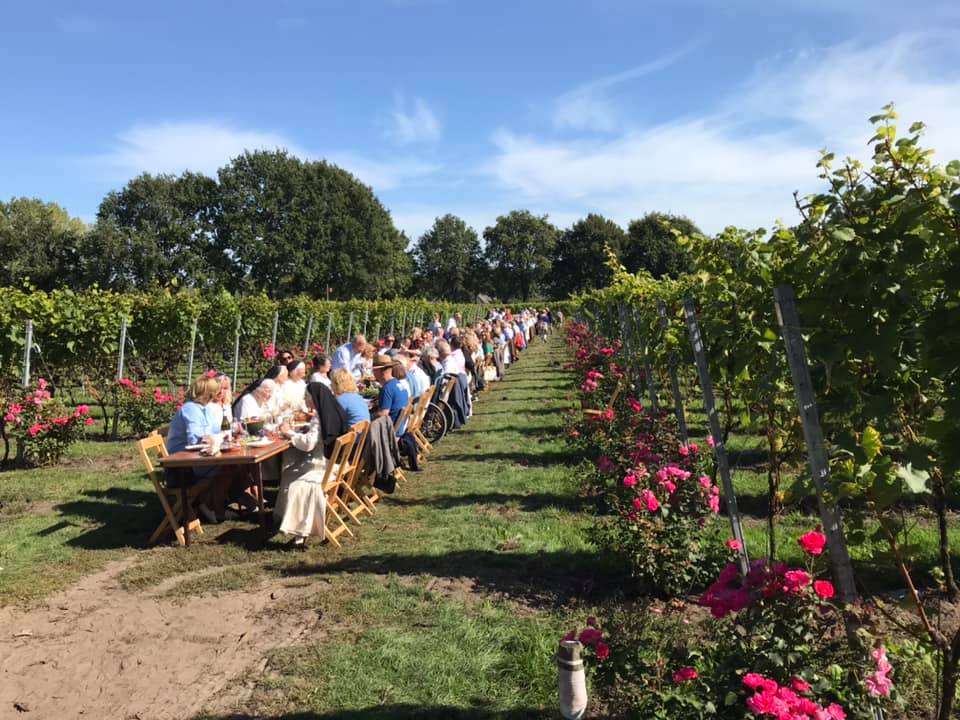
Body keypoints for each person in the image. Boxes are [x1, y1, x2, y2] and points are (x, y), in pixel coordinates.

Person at [273, 382, 348, 550]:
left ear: (314, 398)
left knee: (296, 484)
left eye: (306, 396)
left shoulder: (318, 418)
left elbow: (308, 444)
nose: (305, 399)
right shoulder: (334, 411)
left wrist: (288, 433)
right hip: (336, 464)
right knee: (289, 473)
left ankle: (299, 534)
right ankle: (282, 516)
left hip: (322, 468)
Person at [165, 374, 231, 522]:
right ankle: (209, 507)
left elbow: (216, 431)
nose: (219, 393)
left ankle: (210, 506)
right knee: (227, 469)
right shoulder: (191, 409)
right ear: (208, 393)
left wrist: (220, 436)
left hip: (197, 458)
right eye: (215, 391)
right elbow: (196, 440)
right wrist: (215, 438)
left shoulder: (204, 408)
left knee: (234, 468)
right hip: (182, 466)